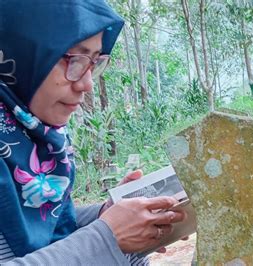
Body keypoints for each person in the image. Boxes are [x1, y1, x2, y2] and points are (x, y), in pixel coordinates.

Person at [0, 0, 186, 265]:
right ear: (24, 53)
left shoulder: (39, 139)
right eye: (74, 59)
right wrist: (107, 236)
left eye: (94, 62)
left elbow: (43, 226)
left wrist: (106, 215)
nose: (87, 84)